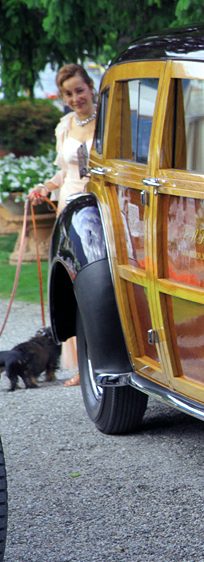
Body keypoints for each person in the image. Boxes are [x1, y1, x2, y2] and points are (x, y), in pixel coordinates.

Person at [27, 63, 98, 387]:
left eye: (79, 90)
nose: (74, 98)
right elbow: (65, 173)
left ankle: (102, 359)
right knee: (71, 286)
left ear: (91, 87)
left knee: (95, 286)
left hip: (98, 210)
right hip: (68, 210)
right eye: (68, 93)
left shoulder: (109, 121)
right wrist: (45, 188)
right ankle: (82, 364)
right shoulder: (65, 126)